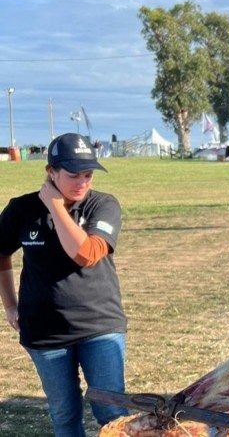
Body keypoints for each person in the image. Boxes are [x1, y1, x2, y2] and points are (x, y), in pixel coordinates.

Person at [0, 133, 128, 436]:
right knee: (65, 414)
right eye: (73, 174)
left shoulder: (103, 205)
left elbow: (87, 253)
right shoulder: (22, 209)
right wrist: (9, 304)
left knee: (112, 413)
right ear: (51, 172)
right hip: (44, 333)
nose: (82, 182)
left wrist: (56, 207)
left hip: (99, 327)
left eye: (88, 174)